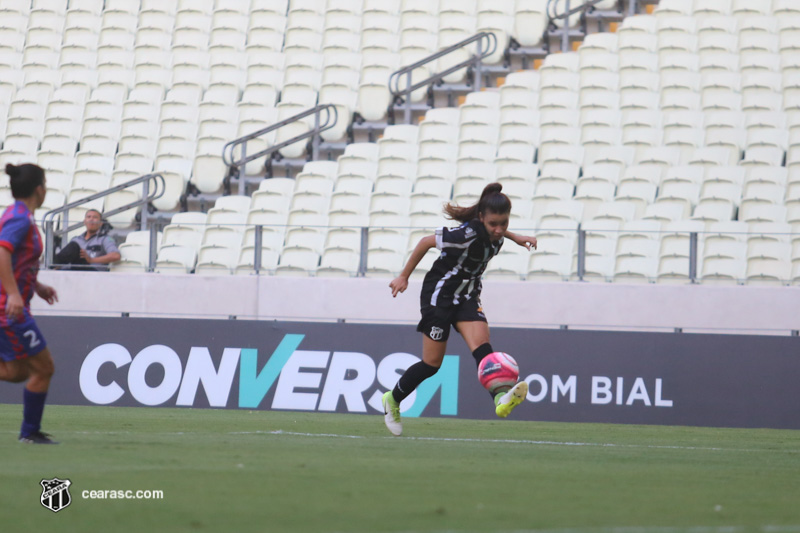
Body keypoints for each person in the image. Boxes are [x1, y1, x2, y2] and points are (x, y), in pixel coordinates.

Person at [382, 183, 537, 436]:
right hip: (439, 297)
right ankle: (392, 399)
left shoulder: (495, 231)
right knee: (432, 364)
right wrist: (403, 277)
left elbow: (497, 231)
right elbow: (424, 242)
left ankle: (500, 401)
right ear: (481, 219)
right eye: (493, 224)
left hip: (467, 296)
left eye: (504, 224)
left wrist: (516, 236)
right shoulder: (464, 236)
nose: (499, 230)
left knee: (484, 351)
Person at [0, 163, 60, 444]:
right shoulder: (20, 219)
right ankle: (29, 433)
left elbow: (17, 261)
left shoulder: (18, 215)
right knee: (44, 368)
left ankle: (30, 432)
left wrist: (36, 285)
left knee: (17, 371)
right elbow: (2, 252)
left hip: (13, 305)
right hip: (10, 309)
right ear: (39, 189)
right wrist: (13, 294)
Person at [54, 209, 120, 271]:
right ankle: (54, 266)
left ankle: (53, 265)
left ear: (101, 223)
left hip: (93, 272)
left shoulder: (105, 239)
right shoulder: (76, 239)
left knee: (74, 246)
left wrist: (91, 260)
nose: (91, 219)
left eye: (95, 217)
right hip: (74, 270)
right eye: (89, 217)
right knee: (72, 245)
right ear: (84, 222)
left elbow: (115, 256)